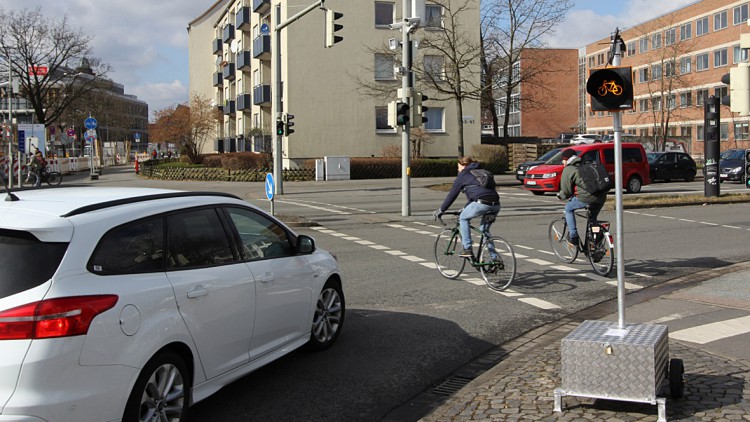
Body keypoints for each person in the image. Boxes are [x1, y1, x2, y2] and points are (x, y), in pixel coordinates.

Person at [434, 156, 500, 257]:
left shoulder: (463, 175)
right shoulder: (483, 172)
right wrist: (465, 208)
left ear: (464, 165)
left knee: (463, 218)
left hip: (481, 203)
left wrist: (441, 210)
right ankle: (495, 258)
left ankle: (467, 248)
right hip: (495, 204)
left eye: (458, 167)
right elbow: (477, 195)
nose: (458, 169)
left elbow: (452, 195)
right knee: (484, 230)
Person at [557, 148, 607, 245]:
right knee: (592, 218)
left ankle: (573, 236)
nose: (562, 162)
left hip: (586, 197)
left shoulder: (569, 169)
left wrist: (560, 196)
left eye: (562, 160)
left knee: (568, 208)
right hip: (601, 196)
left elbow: (566, 191)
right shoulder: (586, 164)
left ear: (566, 159)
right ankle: (595, 244)